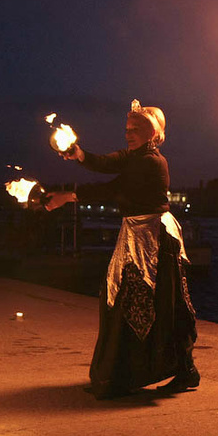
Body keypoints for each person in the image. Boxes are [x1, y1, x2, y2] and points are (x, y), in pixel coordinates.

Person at [58, 99, 198, 399]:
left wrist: (68, 195)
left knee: (158, 306)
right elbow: (106, 163)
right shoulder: (134, 155)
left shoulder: (152, 161)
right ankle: (122, 374)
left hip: (155, 239)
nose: (128, 133)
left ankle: (159, 373)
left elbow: (114, 189)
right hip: (134, 234)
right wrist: (78, 153)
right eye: (127, 128)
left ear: (153, 134)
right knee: (124, 301)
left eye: (136, 129)